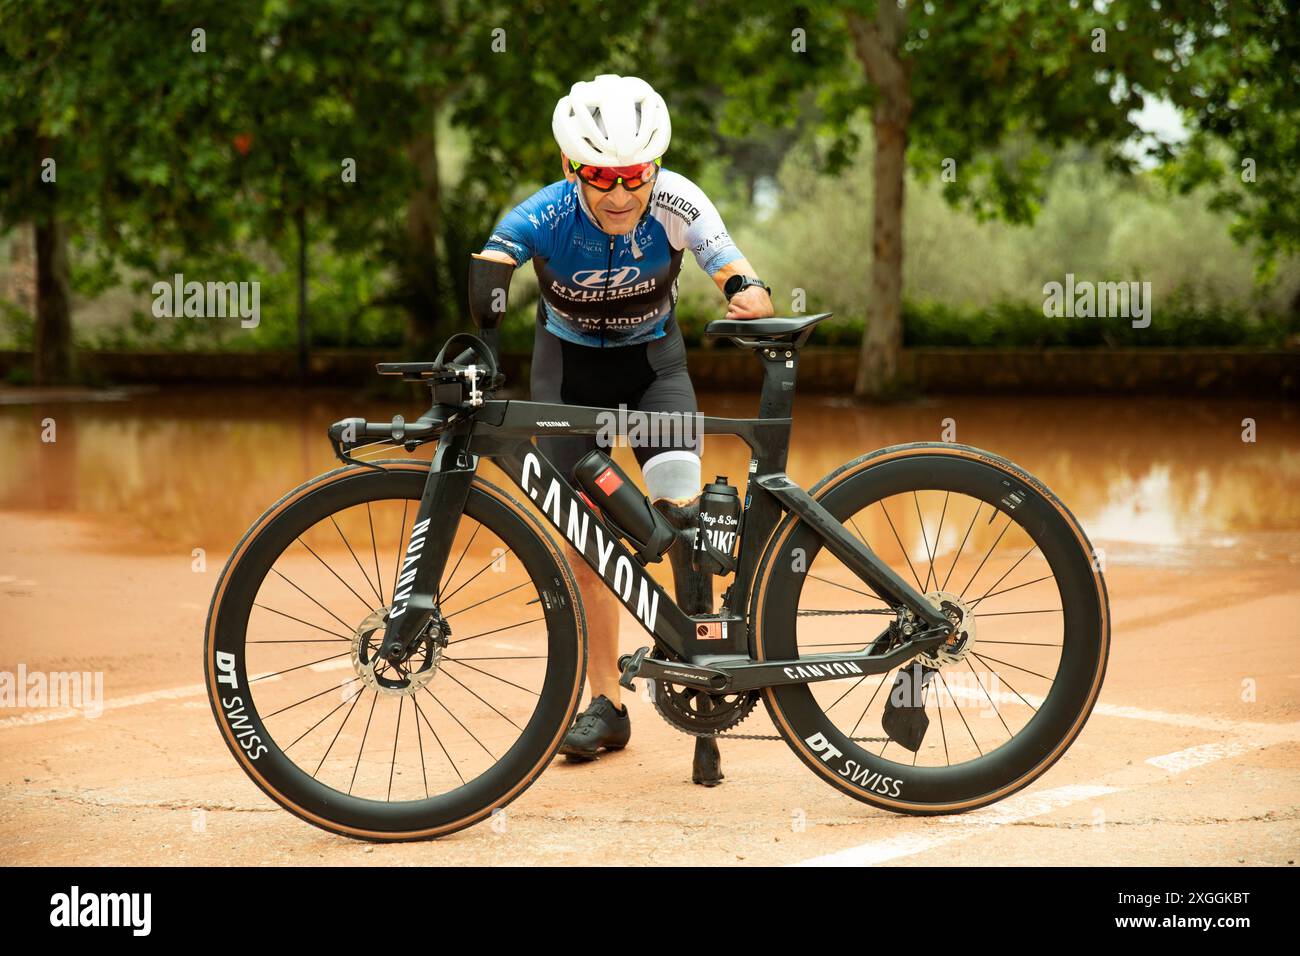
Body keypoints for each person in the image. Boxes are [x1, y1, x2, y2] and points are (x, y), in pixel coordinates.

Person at [475, 74, 773, 771]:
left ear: (655, 168)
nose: (619, 195)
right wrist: (484, 329)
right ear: (569, 169)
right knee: (584, 550)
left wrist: (748, 293)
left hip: (653, 374)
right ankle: (605, 704)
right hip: (567, 378)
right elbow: (492, 264)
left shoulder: (677, 201)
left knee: (683, 524)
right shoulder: (546, 214)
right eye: (601, 178)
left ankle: (699, 668)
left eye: (634, 176)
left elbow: (733, 269)